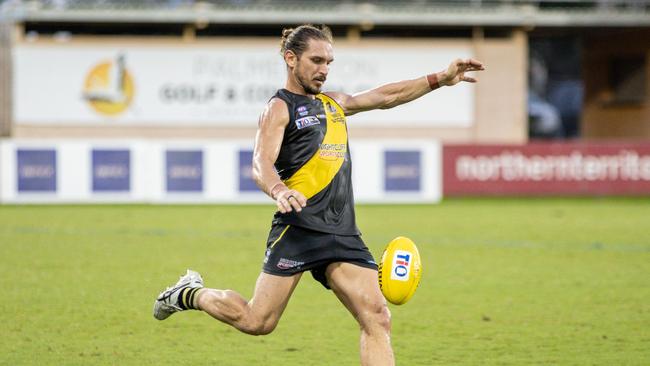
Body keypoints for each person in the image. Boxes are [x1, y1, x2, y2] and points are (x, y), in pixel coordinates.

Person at [153, 24, 484, 366]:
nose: (324, 69)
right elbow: (259, 162)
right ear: (290, 58)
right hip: (299, 230)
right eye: (316, 60)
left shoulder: (334, 103)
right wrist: (279, 189)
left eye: (329, 61)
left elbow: (388, 96)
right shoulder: (279, 108)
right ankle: (189, 293)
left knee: (377, 317)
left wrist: (440, 78)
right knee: (257, 321)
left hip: (342, 232)